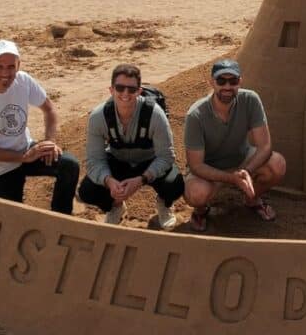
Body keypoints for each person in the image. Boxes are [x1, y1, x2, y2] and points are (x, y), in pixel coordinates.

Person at [0, 40, 79, 213]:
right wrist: (23, 157)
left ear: (18, 65)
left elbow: (50, 109)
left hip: (26, 150)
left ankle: (61, 218)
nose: (5, 73)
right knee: (11, 221)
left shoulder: (23, 80)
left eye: (11, 67)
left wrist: (49, 142)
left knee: (69, 165)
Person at [184, 59, 286, 232]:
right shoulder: (196, 115)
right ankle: (201, 211)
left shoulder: (250, 100)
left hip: (241, 160)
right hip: (210, 168)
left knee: (277, 164)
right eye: (221, 81)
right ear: (211, 82)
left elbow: (264, 145)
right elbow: (196, 165)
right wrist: (231, 179)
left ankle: (252, 199)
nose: (227, 87)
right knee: (196, 193)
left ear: (240, 82)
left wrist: (245, 171)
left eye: (232, 81)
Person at [77, 64, 184, 229]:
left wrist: (141, 180)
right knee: (87, 191)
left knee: (174, 185)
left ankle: (164, 203)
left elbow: (166, 156)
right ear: (111, 90)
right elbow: (94, 160)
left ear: (139, 91)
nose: (125, 94)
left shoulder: (154, 114)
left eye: (131, 89)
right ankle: (116, 206)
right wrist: (109, 181)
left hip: (149, 160)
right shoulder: (99, 117)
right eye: (120, 88)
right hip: (118, 160)